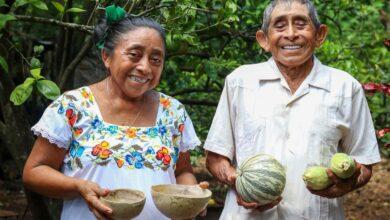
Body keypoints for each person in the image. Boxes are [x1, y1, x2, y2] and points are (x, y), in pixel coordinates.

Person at [23, 5, 207, 220]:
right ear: (106, 57)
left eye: (156, 59)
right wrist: (79, 186)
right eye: (134, 55)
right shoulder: (73, 106)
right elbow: (34, 171)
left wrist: (191, 195)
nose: (145, 68)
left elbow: (182, 172)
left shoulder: (173, 112)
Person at [204, 0, 381, 219]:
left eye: (300, 24)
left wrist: (346, 183)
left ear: (320, 35)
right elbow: (215, 157)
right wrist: (240, 182)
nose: (290, 34)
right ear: (264, 39)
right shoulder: (240, 82)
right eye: (279, 25)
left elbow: (364, 161)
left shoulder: (346, 87)